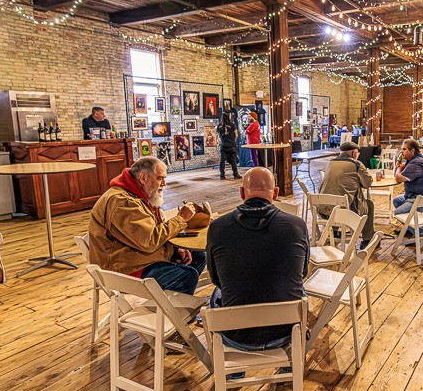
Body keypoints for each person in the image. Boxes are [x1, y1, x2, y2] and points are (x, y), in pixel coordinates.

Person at [206, 167, 307, 351]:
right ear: (275, 193)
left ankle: (233, 363)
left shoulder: (217, 227)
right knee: (298, 286)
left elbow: (216, 279)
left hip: (236, 335)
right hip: (286, 332)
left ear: (242, 193)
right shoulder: (297, 225)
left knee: (217, 293)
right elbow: (303, 272)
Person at [89, 157, 205, 294]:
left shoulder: (139, 195)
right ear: (143, 178)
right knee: (187, 275)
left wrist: (173, 250)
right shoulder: (123, 202)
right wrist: (181, 219)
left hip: (137, 257)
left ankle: (173, 301)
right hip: (124, 270)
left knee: (198, 257)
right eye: (160, 178)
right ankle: (174, 306)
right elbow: (149, 241)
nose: (164, 184)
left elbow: (146, 236)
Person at [319, 141, 375, 244]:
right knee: (369, 204)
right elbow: (367, 183)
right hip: (343, 213)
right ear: (354, 153)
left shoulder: (330, 162)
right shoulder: (356, 164)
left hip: (322, 210)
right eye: (357, 153)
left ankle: (333, 231)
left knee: (337, 195)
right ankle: (368, 239)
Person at [392, 138, 423, 217]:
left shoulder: (416, 163)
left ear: (412, 151)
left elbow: (398, 178)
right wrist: (399, 161)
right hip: (417, 195)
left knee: (398, 212)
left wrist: (399, 166)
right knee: (396, 201)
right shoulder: (415, 160)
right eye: (401, 149)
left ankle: (416, 224)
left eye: (404, 149)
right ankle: (410, 222)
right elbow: (396, 175)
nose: (401, 152)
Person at [217, 113, 241, 180]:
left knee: (222, 161)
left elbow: (218, 136)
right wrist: (232, 140)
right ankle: (235, 175)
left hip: (223, 145)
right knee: (233, 160)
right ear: (228, 117)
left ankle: (222, 175)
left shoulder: (219, 125)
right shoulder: (232, 124)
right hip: (231, 145)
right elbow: (236, 135)